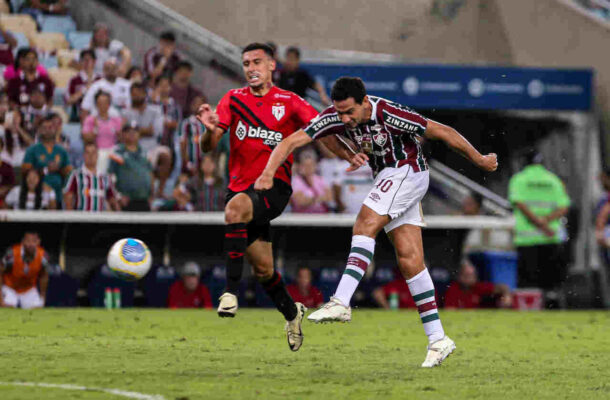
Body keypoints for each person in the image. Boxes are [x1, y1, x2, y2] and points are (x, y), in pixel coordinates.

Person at [254, 76, 498, 367]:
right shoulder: (336, 116)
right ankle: (438, 339)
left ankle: (341, 301)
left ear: (364, 102)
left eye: (349, 112)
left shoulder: (389, 113)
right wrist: (268, 172)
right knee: (410, 260)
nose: (344, 118)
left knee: (364, 223)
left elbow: (442, 131)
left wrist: (480, 160)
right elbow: (296, 139)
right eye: (339, 112)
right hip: (387, 177)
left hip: (407, 171)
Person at [196, 43, 352, 352]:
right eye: (245, 63)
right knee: (264, 269)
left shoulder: (290, 101)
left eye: (257, 62)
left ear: (271, 66)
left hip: (273, 189)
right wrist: (209, 131)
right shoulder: (233, 99)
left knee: (233, 211)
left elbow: (322, 130)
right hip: (241, 190)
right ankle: (293, 314)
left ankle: (229, 293)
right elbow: (208, 146)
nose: (251, 68)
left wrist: (349, 155)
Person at [508, 151, 570, 293]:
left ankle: (531, 311)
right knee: (551, 282)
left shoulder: (519, 179)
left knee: (529, 283)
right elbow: (564, 207)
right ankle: (553, 308)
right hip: (550, 237)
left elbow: (520, 204)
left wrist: (538, 222)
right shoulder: (553, 180)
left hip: (526, 239)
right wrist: (546, 223)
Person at [122, 82, 171, 197]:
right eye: (133, 94)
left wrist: (136, 130)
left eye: (139, 93)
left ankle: (160, 191)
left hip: (152, 147)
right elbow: (125, 134)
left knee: (165, 155)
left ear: (145, 94)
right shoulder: (126, 112)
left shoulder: (156, 110)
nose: (136, 96)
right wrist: (145, 130)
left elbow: (155, 131)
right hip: (133, 149)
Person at [22, 114, 72, 208]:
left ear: (55, 129)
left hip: (59, 193)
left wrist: (58, 169)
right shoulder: (32, 150)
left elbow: (69, 172)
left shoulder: (61, 151)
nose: (48, 130)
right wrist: (46, 170)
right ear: (40, 130)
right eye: (44, 127)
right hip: (38, 194)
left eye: (50, 127)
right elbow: (25, 171)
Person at [108, 125, 153, 211]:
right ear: (123, 134)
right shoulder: (117, 152)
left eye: (135, 131)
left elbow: (150, 174)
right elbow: (110, 176)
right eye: (128, 131)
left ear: (139, 134)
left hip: (144, 199)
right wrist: (118, 196)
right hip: (126, 200)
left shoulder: (145, 153)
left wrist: (151, 195)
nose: (132, 133)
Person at [63, 142, 120, 211]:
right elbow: (68, 201)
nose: (91, 156)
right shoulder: (75, 175)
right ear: (84, 155)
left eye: (93, 153)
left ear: (97, 155)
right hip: (81, 219)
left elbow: (113, 201)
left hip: (100, 219)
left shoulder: (105, 177)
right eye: (88, 153)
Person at [0, 232, 50, 309]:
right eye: (28, 241)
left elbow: (44, 276)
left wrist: (42, 297)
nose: (30, 244)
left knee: (37, 309)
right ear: (22, 242)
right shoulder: (12, 254)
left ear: (39, 242)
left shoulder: (43, 256)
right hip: (10, 287)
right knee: (8, 306)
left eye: (34, 241)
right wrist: (1, 299)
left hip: (28, 289)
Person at [444, 260, 512, 309]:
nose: (470, 279)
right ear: (459, 276)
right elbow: (449, 309)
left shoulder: (478, 287)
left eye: (472, 276)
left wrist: (507, 296)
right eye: (466, 276)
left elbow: (503, 287)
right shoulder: (453, 289)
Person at [81, 91, 122, 172]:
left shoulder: (116, 120)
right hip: (98, 150)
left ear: (109, 104)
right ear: (96, 105)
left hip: (113, 150)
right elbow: (86, 138)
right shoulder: (90, 120)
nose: (102, 105)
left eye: (105, 103)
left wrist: (119, 135)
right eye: (100, 103)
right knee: (100, 156)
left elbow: (121, 139)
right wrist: (95, 129)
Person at [66, 49, 101, 122]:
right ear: (80, 62)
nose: (86, 63)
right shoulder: (74, 80)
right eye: (83, 60)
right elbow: (69, 101)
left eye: (89, 60)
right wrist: (84, 90)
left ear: (94, 62)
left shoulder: (100, 80)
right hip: (79, 114)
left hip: (98, 114)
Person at [149, 75, 181, 150]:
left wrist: (165, 123)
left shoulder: (174, 105)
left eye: (166, 86)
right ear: (156, 87)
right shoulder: (151, 103)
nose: (164, 88)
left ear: (170, 88)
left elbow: (178, 124)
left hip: (170, 141)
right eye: (161, 85)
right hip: (152, 141)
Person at [178, 94, 205, 176]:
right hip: (189, 164)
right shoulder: (187, 123)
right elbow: (182, 144)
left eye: (201, 104)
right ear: (192, 106)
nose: (199, 106)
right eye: (196, 103)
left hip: (203, 166)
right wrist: (187, 163)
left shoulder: (206, 125)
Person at [0, 136, 16, 206]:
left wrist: (5, 189)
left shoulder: (7, 167)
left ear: (1, 148)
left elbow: (12, 185)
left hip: (2, 199)